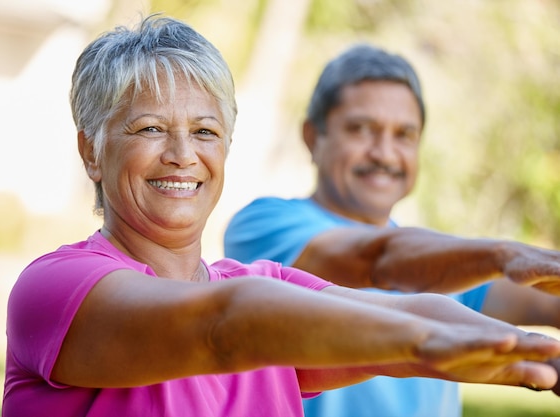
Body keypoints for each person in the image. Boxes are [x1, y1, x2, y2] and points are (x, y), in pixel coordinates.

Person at [2, 15, 560, 417]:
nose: (182, 154)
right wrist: (422, 343)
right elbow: (222, 329)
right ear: (91, 152)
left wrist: (545, 357)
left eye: (205, 131)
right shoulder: (55, 288)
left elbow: (413, 305)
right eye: (150, 128)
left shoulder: (265, 288)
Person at [223, 44, 560, 417]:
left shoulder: (447, 262)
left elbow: (546, 298)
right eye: (361, 130)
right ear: (312, 137)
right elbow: (377, 258)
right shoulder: (263, 225)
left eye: (403, 134)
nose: (384, 153)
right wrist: (504, 254)